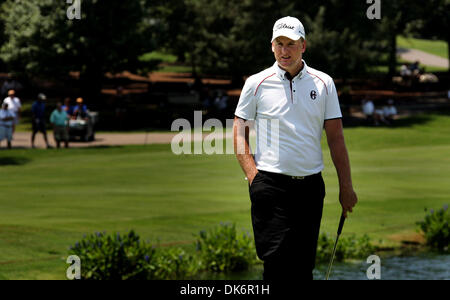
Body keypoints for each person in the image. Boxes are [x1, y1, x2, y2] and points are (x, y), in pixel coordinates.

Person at [233, 16, 357, 282]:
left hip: (310, 188)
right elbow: (238, 132)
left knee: (302, 268)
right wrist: (254, 177)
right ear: (272, 46)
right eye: (279, 43)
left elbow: (336, 138)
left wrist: (346, 186)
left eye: (291, 43)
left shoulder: (324, 83)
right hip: (270, 185)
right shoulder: (256, 83)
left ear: (304, 45)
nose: (284, 50)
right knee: (276, 265)